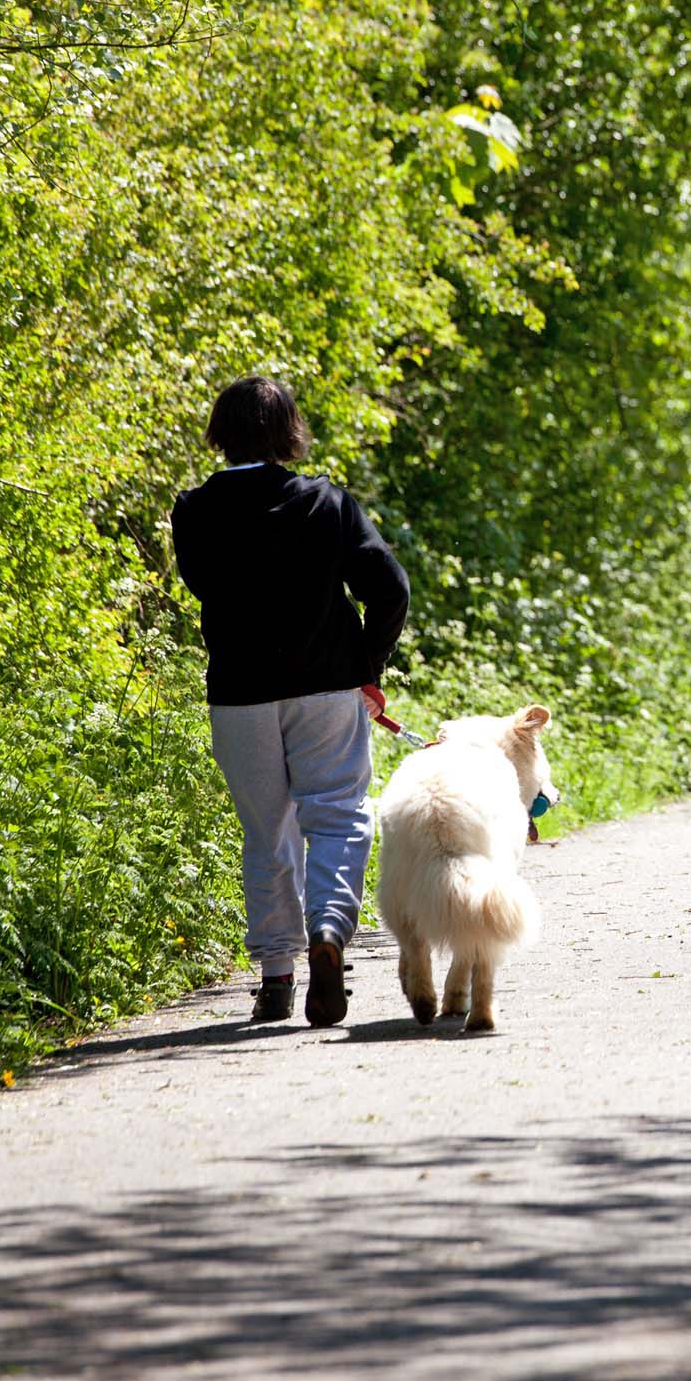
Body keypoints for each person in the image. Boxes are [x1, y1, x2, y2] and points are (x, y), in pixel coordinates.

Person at [172, 377, 410, 1026]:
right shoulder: (327, 503)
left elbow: (202, 584)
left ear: (220, 433)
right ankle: (328, 933)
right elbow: (390, 588)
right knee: (336, 815)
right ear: (290, 432)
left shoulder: (193, 510)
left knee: (267, 828)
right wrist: (368, 664)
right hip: (329, 686)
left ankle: (276, 977)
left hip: (239, 695)